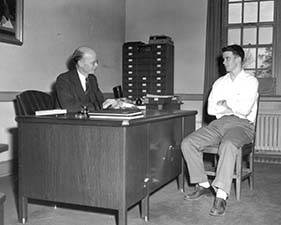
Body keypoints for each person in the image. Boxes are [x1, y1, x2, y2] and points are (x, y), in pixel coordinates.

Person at [181, 44, 259, 216]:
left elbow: (245, 109)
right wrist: (229, 107)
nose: (224, 62)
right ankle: (203, 185)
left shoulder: (251, 81)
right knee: (188, 143)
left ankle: (221, 196)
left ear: (238, 59)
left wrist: (225, 104)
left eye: (227, 58)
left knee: (228, 144)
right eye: (223, 59)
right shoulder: (219, 82)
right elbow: (211, 109)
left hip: (242, 125)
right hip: (219, 124)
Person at [56, 46, 116, 112]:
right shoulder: (64, 79)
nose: (96, 65)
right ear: (80, 63)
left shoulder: (92, 79)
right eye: (92, 63)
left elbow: (100, 100)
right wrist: (100, 106)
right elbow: (70, 107)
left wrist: (112, 104)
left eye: (97, 62)